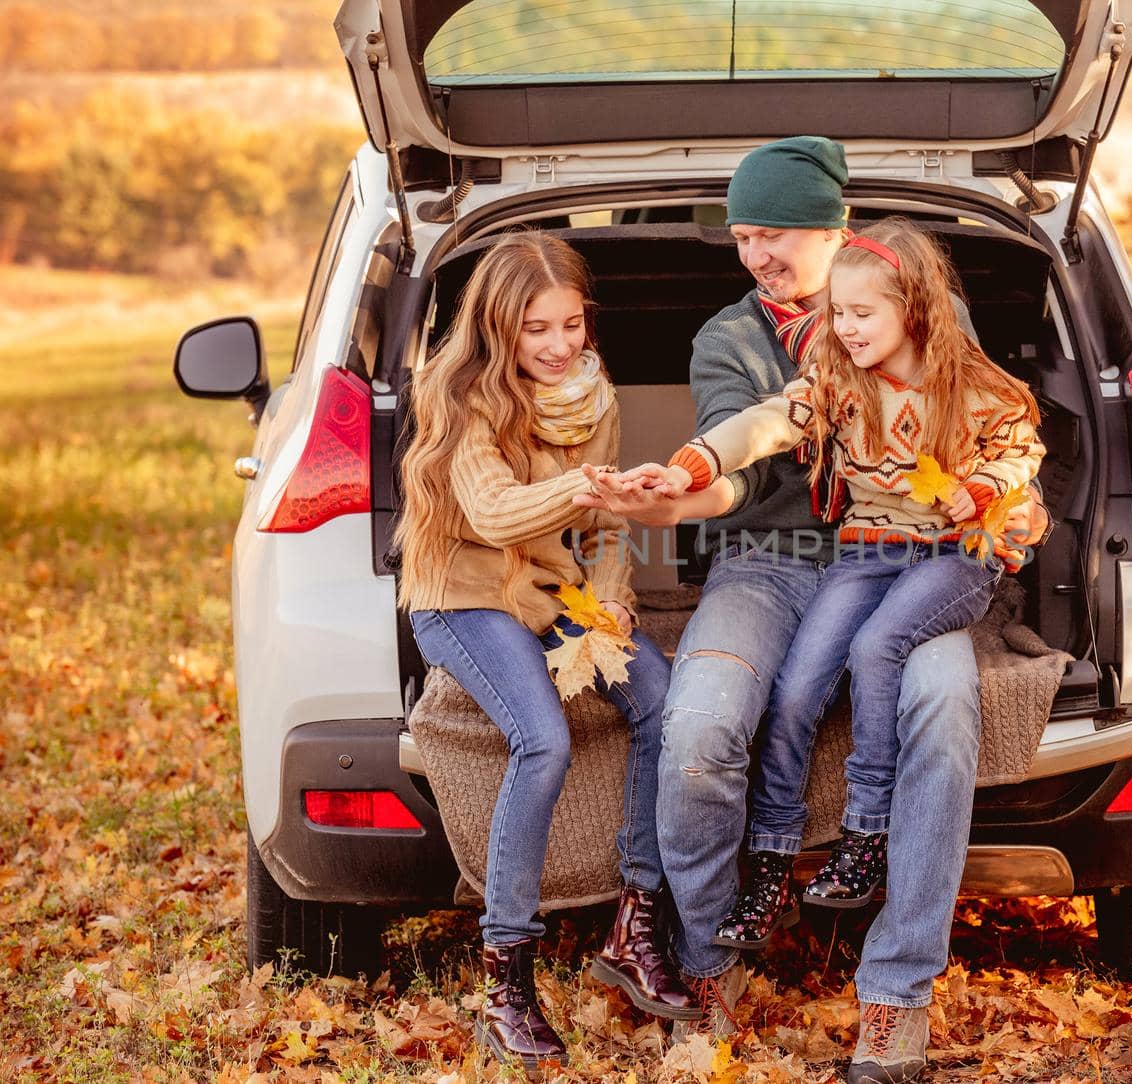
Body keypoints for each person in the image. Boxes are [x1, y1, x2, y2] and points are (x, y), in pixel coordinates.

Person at [577, 138, 1049, 1084]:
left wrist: (986, 498)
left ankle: (895, 997)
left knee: (941, 708)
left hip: (911, 558)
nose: (758, 255)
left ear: (839, 228)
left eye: (777, 233)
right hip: (768, 561)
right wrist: (675, 491)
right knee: (703, 724)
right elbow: (740, 473)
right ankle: (712, 961)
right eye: (743, 237)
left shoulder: (923, 309)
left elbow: (993, 427)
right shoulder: (731, 339)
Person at [637, 216, 1044, 929]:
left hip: (951, 556)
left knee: (875, 647)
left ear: (914, 308)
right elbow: (766, 422)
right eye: (840, 315)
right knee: (796, 689)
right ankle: (769, 861)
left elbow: (1021, 451)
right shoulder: (838, 380)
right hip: (867, 551)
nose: (847, 329)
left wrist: (985, 492)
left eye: (862, 314)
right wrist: (690, 464)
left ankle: (865, 832)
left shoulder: (975, 385)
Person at [395, 232, 697, 1072]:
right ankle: (507, 978)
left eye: (572, 324)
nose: (561, 346)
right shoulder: (457, 395)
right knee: (544, 738)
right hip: (464, 594)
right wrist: (590, 485)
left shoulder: (593, 399)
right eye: (537, 329)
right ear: (499, 329)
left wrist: (611, 601)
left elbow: (600, 531)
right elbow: (493, 514)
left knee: (664, 703)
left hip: (553, 585)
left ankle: (635, 924)